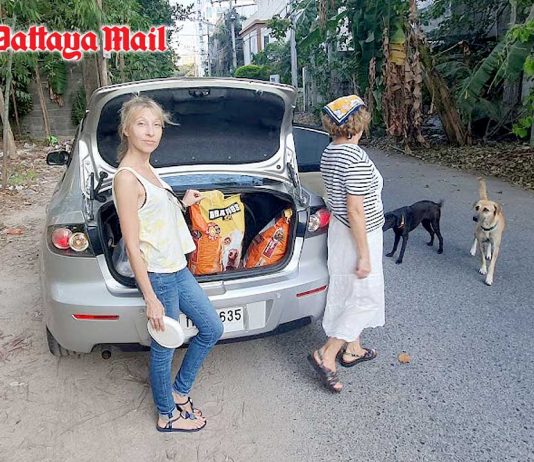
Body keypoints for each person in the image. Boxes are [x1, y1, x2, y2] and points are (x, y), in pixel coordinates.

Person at [112, 96, 224, 431]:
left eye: (157, 125)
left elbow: (154, 214)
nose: (151, 132)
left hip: (177, 268)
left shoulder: (148, 168)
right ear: (126, 129)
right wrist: (150, 299)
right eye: (142, 124)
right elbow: (133, 244)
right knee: (164, 347)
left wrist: (182, 203)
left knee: (212, 328)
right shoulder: (127, 178)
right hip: (159, 275)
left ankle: (179, 391)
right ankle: (167, 415)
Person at [307, 95, 385, 392]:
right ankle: (326, 354)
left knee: (348, 290)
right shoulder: (355, 158)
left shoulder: (331, 151)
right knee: (366, 297)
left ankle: (353, 349)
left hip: (341, 230)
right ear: (359, 124)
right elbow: (356, 210)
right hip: (358, 234)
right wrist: (364, 254)